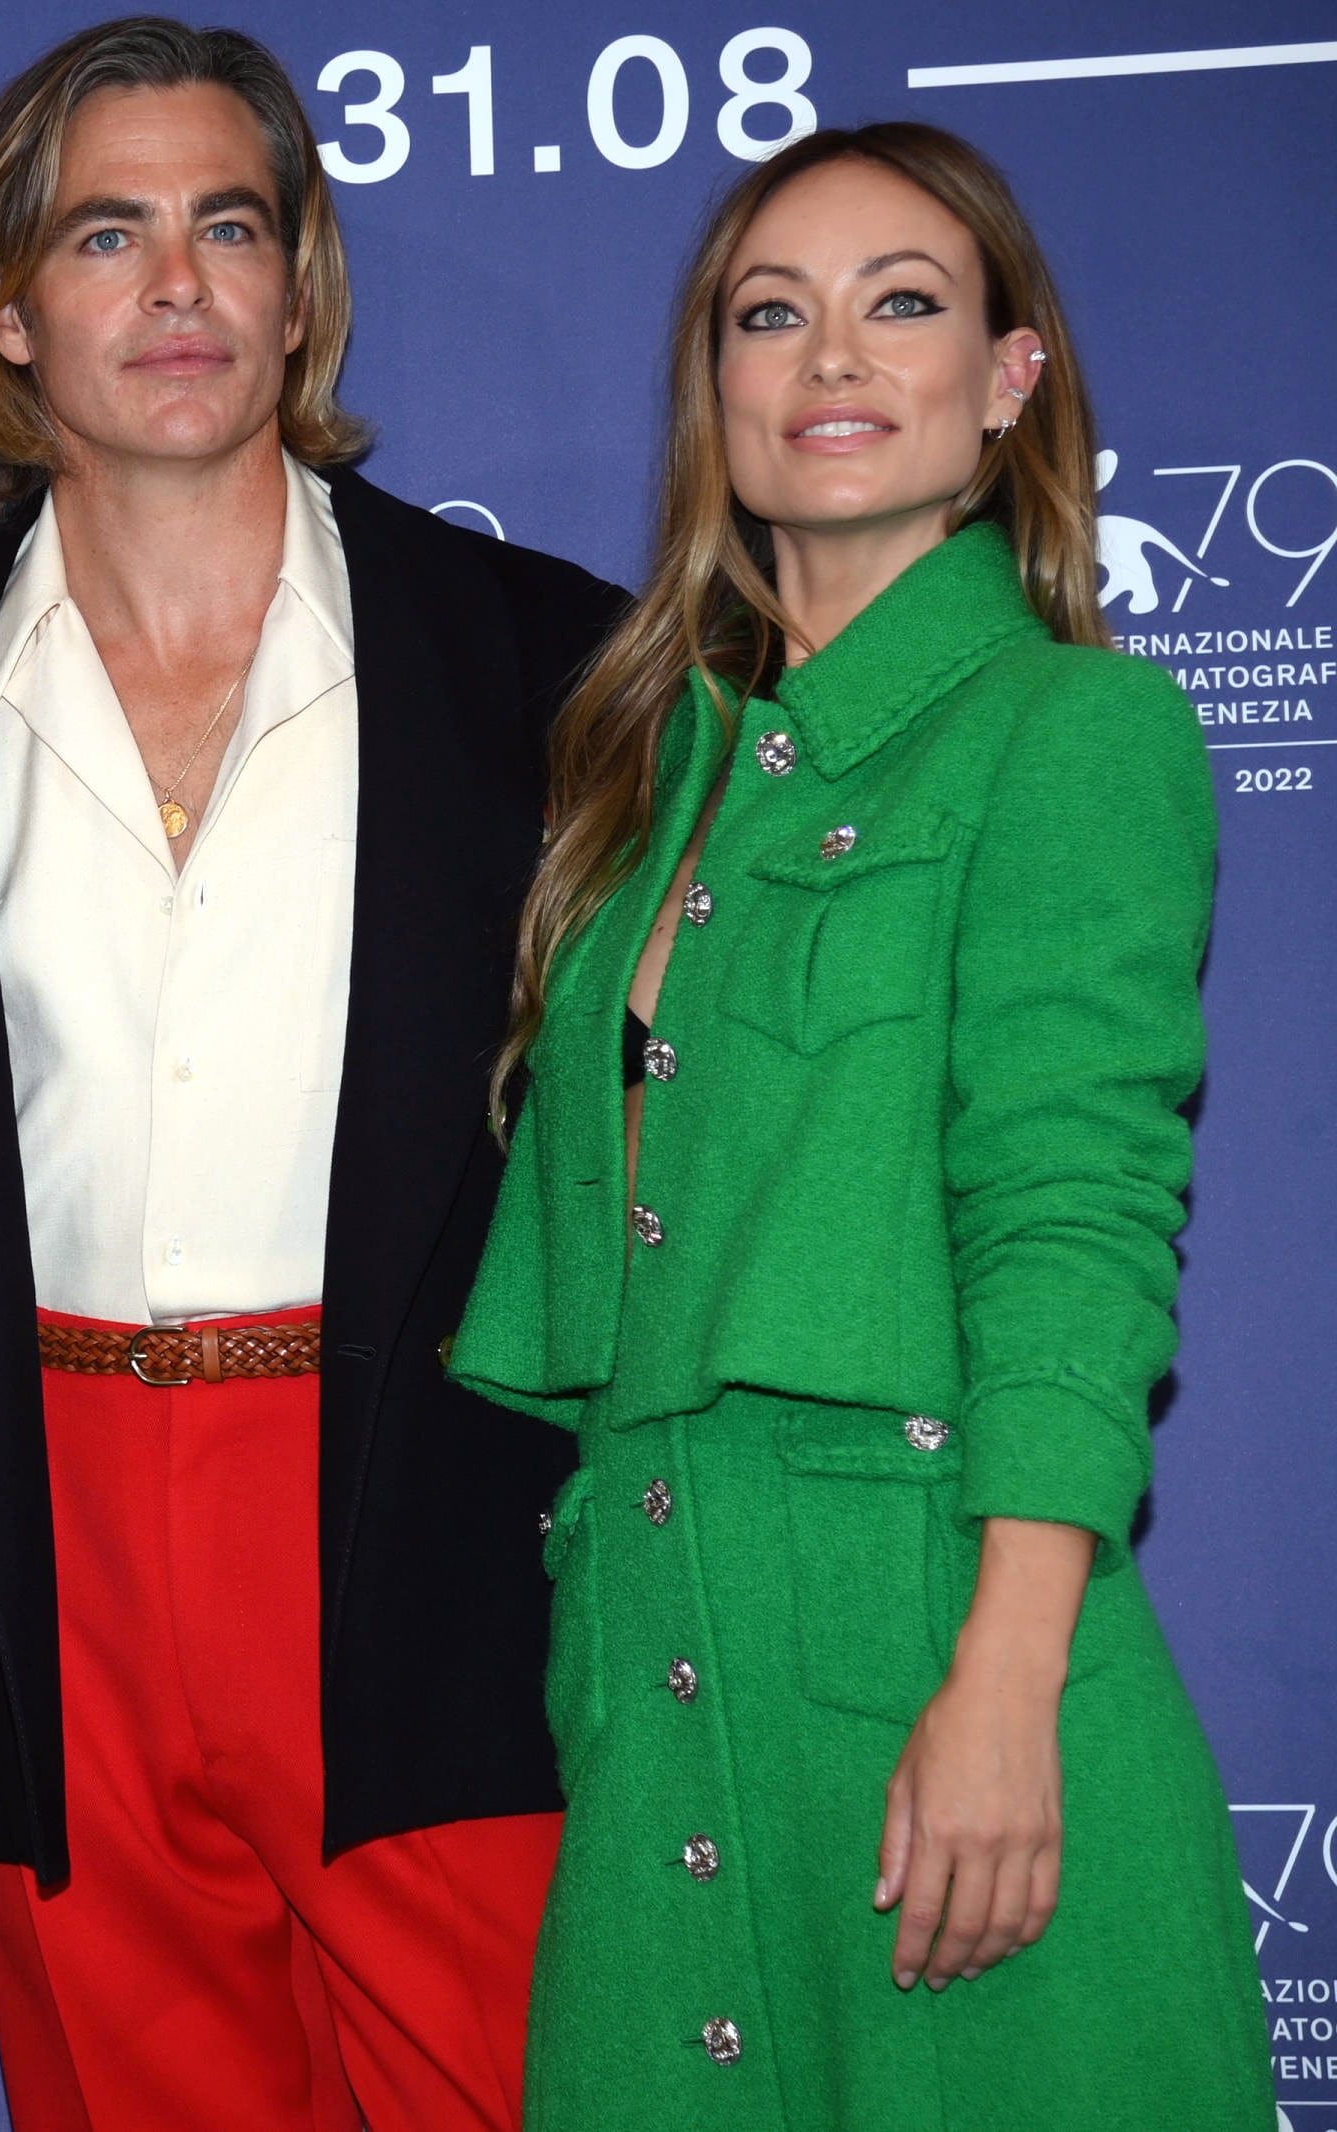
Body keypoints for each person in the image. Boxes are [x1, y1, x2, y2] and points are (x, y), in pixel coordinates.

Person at [0, 19, 626, 2130]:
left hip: (422, 1537)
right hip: (51, 1553)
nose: (176, 286)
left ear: (297, 286)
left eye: (224, 226)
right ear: (11, 314)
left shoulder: (551, 662)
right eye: (107, 235)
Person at [448, 122, 1272, 2127]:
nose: (830, 353)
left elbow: (1075, 1216)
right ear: (716, 394)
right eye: (768, 312)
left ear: (1009, 382)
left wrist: (1003, 1684)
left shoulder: (1071, 735)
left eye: (902, 301)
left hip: (924, 1647)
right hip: (658, 1670)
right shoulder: (647, 791)